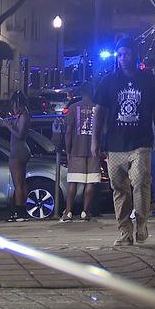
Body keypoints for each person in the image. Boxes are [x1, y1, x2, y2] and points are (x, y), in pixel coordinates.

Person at [91, 37, 155, 246]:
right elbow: (99, 112)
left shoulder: (149, 81)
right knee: (119, 188)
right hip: (114, 144)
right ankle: (125, 231)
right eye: (120, 54)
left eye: (127, 54)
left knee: (141, 181)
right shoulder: (108, 81)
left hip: (141, 142)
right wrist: (95, 140)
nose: (123, 58)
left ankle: (141, 222)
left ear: (135, 55)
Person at [60, 82, 99, 222]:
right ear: (93, 91)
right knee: (90, 183)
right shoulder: (97, 108)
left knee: (73, 182)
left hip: (76, 150)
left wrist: (68, 150)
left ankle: (68, 212)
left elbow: (68, 131)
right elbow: (102, 131)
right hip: (94, 151)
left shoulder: (73, 108)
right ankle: (85, 212)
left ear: (81, 92)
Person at [2, 91, 31, 222]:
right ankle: (22, 210)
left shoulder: (24, 115)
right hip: (21, 151)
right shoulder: (22, 115)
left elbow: (19, 135)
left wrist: (9, 127)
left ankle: (19, 212)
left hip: (18, 151)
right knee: (22, 183)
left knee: (18, 184)